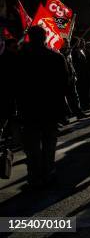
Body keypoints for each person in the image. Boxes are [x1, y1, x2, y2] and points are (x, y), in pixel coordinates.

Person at [17, 26, 70, 189]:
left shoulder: (20, 57)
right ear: (45, 37)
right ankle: (48, 172)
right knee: (49, 142)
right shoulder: (56, 57)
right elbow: (64, 84)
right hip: (50, 108)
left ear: (29, 38)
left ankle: (34, 175)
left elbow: (12, 84)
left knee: (32, 145)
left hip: (28, 108)